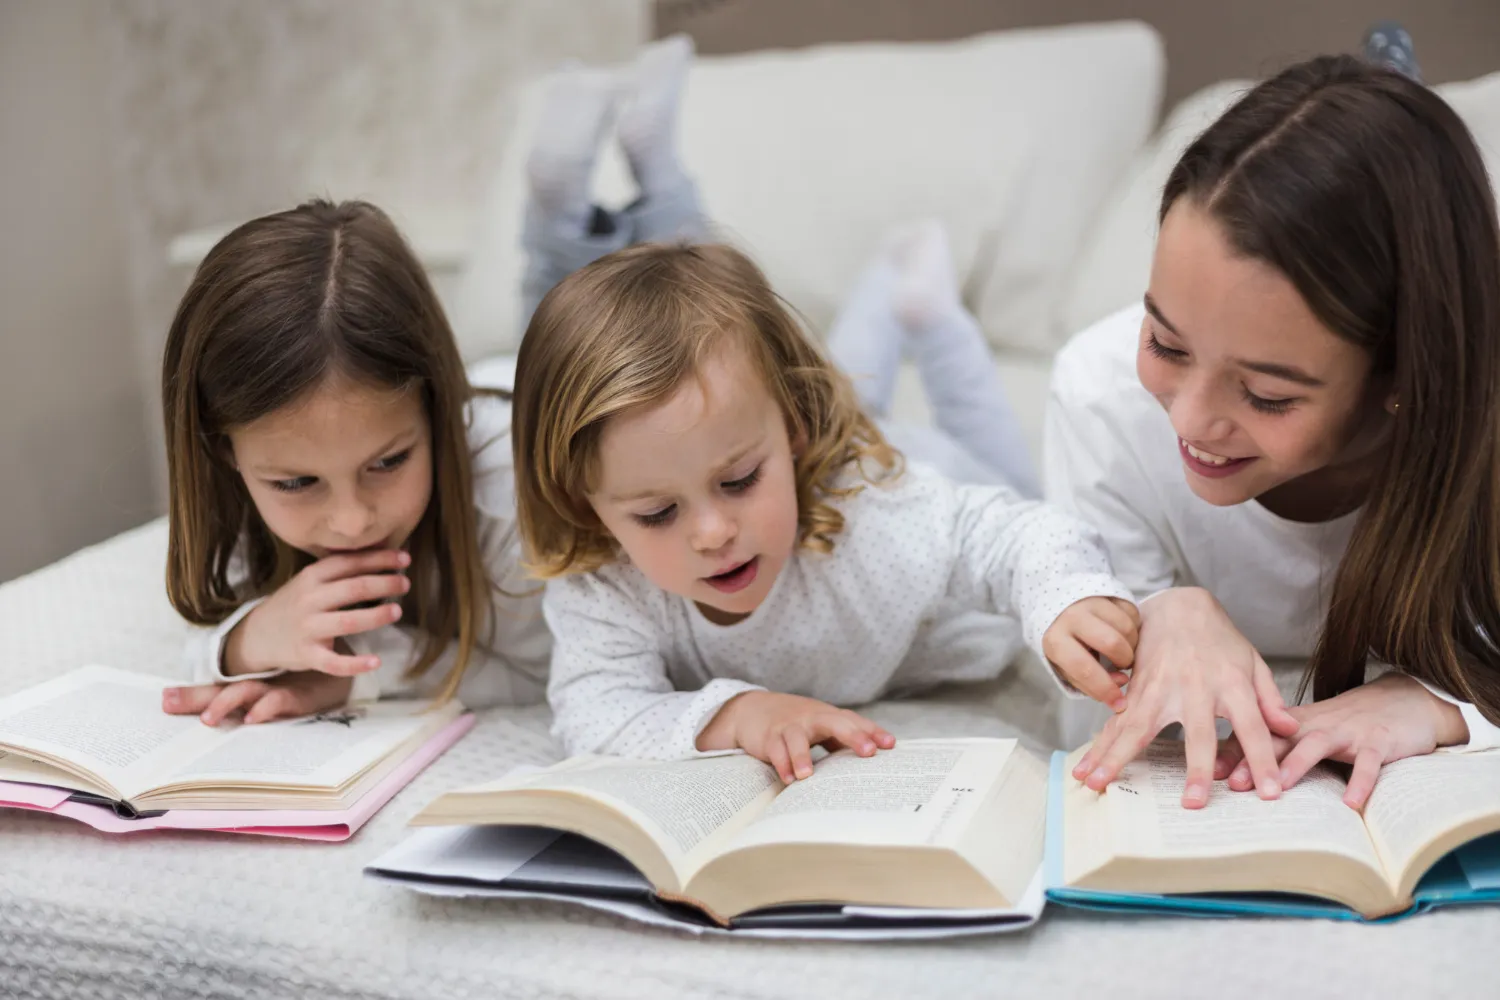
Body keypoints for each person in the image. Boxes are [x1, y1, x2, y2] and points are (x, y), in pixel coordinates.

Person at [1048, 45, 1500, 812]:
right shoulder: (1101, 394)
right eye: (1165, 343)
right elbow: (1087, 717)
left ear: (1403, 379)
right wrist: (1156, 615)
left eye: (1266, 394)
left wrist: (1436, 704)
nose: (1188, 420)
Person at [511, 240, 1140, 784]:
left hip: (934, 483)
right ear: (584, 506)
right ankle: (888, 292)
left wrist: (1062, 595)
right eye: (656, 513)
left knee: (999, 458)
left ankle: (931, 314)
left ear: (796, 430)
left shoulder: (884, 517)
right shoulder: (603, 580)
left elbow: (1016, 534)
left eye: (738, 480)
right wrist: (740, 716)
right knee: (852, 392)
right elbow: (592, 711)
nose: (712, 533)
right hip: (826, 453)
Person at [518, 34, 1040, 497]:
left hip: (867, 452)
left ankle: (907, 288)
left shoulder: (989, 514)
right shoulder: (983, 504)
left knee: (634, 329)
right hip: (883, 454)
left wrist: (938, 326)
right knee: (687, 325)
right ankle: (618, 201)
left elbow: (967, 403)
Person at [158, 199, 550, 725]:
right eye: (296, 482)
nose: (353, 520)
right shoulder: (237, 489)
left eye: (388, 463)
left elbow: (545, 676)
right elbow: (210, 626)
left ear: (436, 415)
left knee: (563, 300)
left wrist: (360, 672)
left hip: (523, 393)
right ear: (223, 449)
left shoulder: (511, 501)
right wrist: (247, 641)